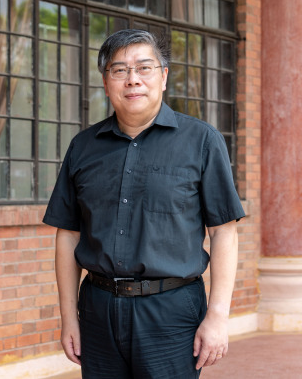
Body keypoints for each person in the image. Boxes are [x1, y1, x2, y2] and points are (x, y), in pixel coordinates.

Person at [43, 29, 244, 378]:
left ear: (163, 77)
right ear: (106, 83)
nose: (132, 79)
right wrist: (68, 317)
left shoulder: (202, 141)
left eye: (144, 68)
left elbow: (223, 232)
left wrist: (218, 316)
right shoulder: (83, 147)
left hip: (171, 312)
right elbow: (68, 235)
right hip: (98, 310)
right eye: (119, 70)